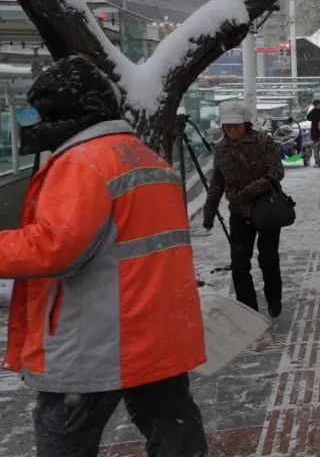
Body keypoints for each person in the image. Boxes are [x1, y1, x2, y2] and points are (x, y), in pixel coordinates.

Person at [0, 56, 208, 456]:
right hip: (157, 334)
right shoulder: (148, 159)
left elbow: (54, 248)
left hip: (95, 342)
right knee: (175, 433)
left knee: (66, 441)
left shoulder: (84, 162)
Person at [203, 100, 286, 317]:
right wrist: (209, 211)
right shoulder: (221, 149)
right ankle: (248, 310)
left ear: (246, 124)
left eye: (236, 126)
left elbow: (276, 172)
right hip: (239, 213)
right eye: (227, 127)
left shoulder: (262, 142)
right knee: (239, 264)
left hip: (265, 209)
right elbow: (218, 182)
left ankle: (274, 299)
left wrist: (253, 189)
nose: (232, 131)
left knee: (268, 259)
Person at [306, 99, 320, 167]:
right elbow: (308, 117)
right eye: (314, 105)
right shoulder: (314, 111)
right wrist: (314, 110)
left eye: (316, 105)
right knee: (316, 150)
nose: (316, 106)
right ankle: (318, 162)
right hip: (316, 133)